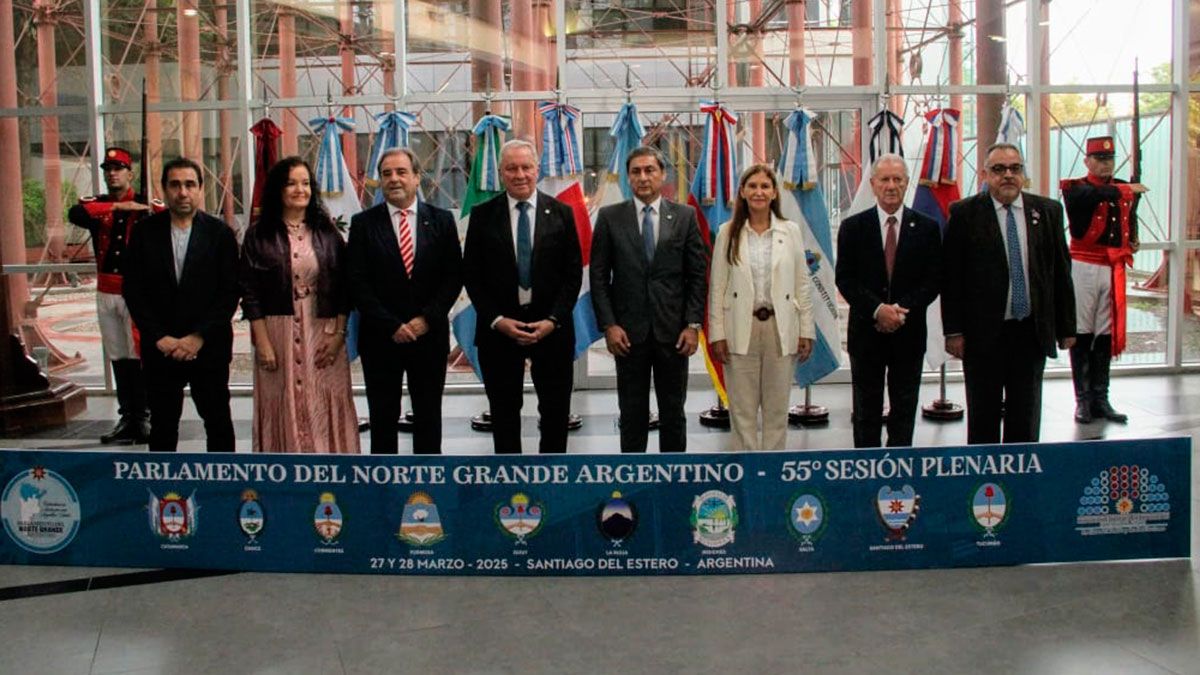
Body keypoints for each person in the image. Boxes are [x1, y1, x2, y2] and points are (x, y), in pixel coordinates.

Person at [941, 143, 1076, 444]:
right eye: (999, 169)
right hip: (983, 335)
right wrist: (953, 331)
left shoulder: (1048, 211)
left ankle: (1022, 472)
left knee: (1025, 417)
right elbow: (951, 278)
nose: (1008, 175)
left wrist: (1067, 327)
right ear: (985, 174)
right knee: (983, 417)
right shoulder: (964, 214)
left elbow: (1060, 272)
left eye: (1015, 168)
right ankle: (985, 472)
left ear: (1023, 173)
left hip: (1031, 332)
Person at [463, 139, 581, 455]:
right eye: (511, 168)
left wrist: (553, 320)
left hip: (552, 331)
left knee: (555, 413)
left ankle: (552, 475)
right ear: (501, 172)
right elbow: (472, 276)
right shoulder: (482, 215)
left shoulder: (562, 213)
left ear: (537, 169)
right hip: (499, 332)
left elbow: (572, 276)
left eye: (526, 167)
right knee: (503, 413)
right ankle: (508, 476)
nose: (519, 174)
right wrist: (497, 320)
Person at [590, 146, 707, 453]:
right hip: (627, 334)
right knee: (631, 413)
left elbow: (697, 275)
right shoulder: (610, 217)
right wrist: (609, 325)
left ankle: (672, 475)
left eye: (649, 170)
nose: (643, 177)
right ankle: (633, 474)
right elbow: (599, 277)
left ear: (662, 174)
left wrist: (693, 324)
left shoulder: (685, 216)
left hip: (674, 333)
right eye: (636, 172)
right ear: (628, 177)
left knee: (673, 412)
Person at [239, 157, 359, 454]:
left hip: (323, 330)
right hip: (276, 333)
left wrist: (339, 336)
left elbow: (345, 287)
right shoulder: (258, 234)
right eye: (291, 183)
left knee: (323, 397)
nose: (299, 190)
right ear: (278, 189)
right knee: (282, 398)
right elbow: (250, 292)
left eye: (305, 183)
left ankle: (330, 466)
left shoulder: (327, 232)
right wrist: (262, 342)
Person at [347, 148, 462, 454]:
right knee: (382, 417)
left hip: (429, 336)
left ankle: (428, 476)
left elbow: (453, 277)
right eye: (386, 174)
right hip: (381, 338)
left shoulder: (442, 221)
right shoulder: (363, 224)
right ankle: (385, 479)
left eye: (401, 172)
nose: (394, 179)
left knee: (428, 416)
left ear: (416, 177)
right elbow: (357, 282)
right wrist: (391, 325)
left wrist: (426, 319)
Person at [122, 157, 239, 452]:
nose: (182, 192)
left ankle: (221, 479)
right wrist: (159, 337)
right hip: (161, 349)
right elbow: (134, 291)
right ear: (164, 189)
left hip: (208, 348)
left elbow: (229, 293)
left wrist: (197, 337)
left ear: (200, 189)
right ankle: (163, 482)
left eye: (189, 184)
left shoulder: (220, 234)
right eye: (175, 185)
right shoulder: (144, 233)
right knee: (162, 426)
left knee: (218, 423)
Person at [835, 154, 942, 448]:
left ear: (907, 183)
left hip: (909, 334)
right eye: (884, 179)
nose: (891, 185)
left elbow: (933, 281)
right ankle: (866, 467)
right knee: (865, 412)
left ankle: (899, 468)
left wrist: (899, 312)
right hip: (866, 335)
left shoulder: (928, 227)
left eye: (897, 179)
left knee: (904, 411)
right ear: (873, 184)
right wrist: (877, 310)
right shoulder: (853, 227)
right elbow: (845, 279)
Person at [707, 164, 814, 450]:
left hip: (781, 328)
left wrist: (806, 330)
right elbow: (717, 288)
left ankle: (773, 469)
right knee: (742, 411)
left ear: (774, 192)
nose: (759, 192)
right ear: (742, 192)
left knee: (777, 410)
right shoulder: (727, 232)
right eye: (752, 186)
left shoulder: (790, 231)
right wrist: (717, 333)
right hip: (740, 328)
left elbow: (802, 284)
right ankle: (747, 467)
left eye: (765, 186)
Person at [67, 147, 163, 444]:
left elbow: (166, 218)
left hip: (134, 292)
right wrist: (120, 207)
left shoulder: (147, 204)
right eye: (108, 169)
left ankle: (143, 417)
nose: (112, 174)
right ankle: (128, 416)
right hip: (105, 289)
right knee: (118, 355)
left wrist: (144, 210)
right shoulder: (99, 205)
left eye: (118, 169)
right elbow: (76, 213)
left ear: (130, 173)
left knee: (137, 354)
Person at [1061, 135, 1146, 424]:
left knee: (1104, 334)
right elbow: (1091, 197)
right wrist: (1127, 189)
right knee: (1082, 332)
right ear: (1087, 161)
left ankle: (1101, 397)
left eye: (1109, 159)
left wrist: (1132, 238)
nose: (1105, 164)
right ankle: (1082, 400)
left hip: (1111, 266)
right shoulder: (1076, 188)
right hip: (1084, 266)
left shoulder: (1122, 188)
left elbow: (1129, 218)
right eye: (1099, 159)